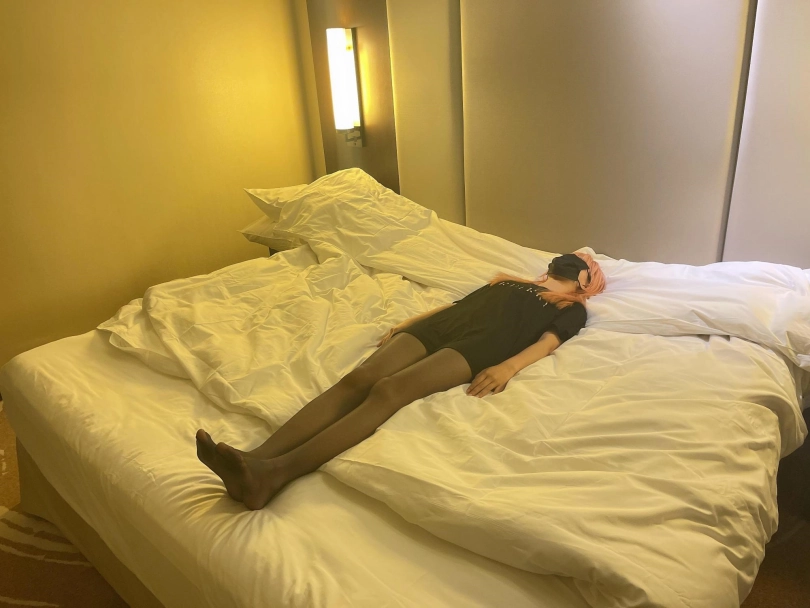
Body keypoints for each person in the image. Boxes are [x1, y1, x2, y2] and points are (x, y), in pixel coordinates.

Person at [196, 253, 607, 510]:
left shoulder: (573, 309)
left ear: (588, 280)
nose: (568, 261)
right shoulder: (507, 282)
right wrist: (410, 322)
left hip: (483, 345)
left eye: (580, 263)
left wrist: (509, 367)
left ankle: (273, 474)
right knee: (361, 376)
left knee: (389, 390)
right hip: (444, 326)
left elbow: (547, 343)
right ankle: (254, 458)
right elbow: (456, 306)